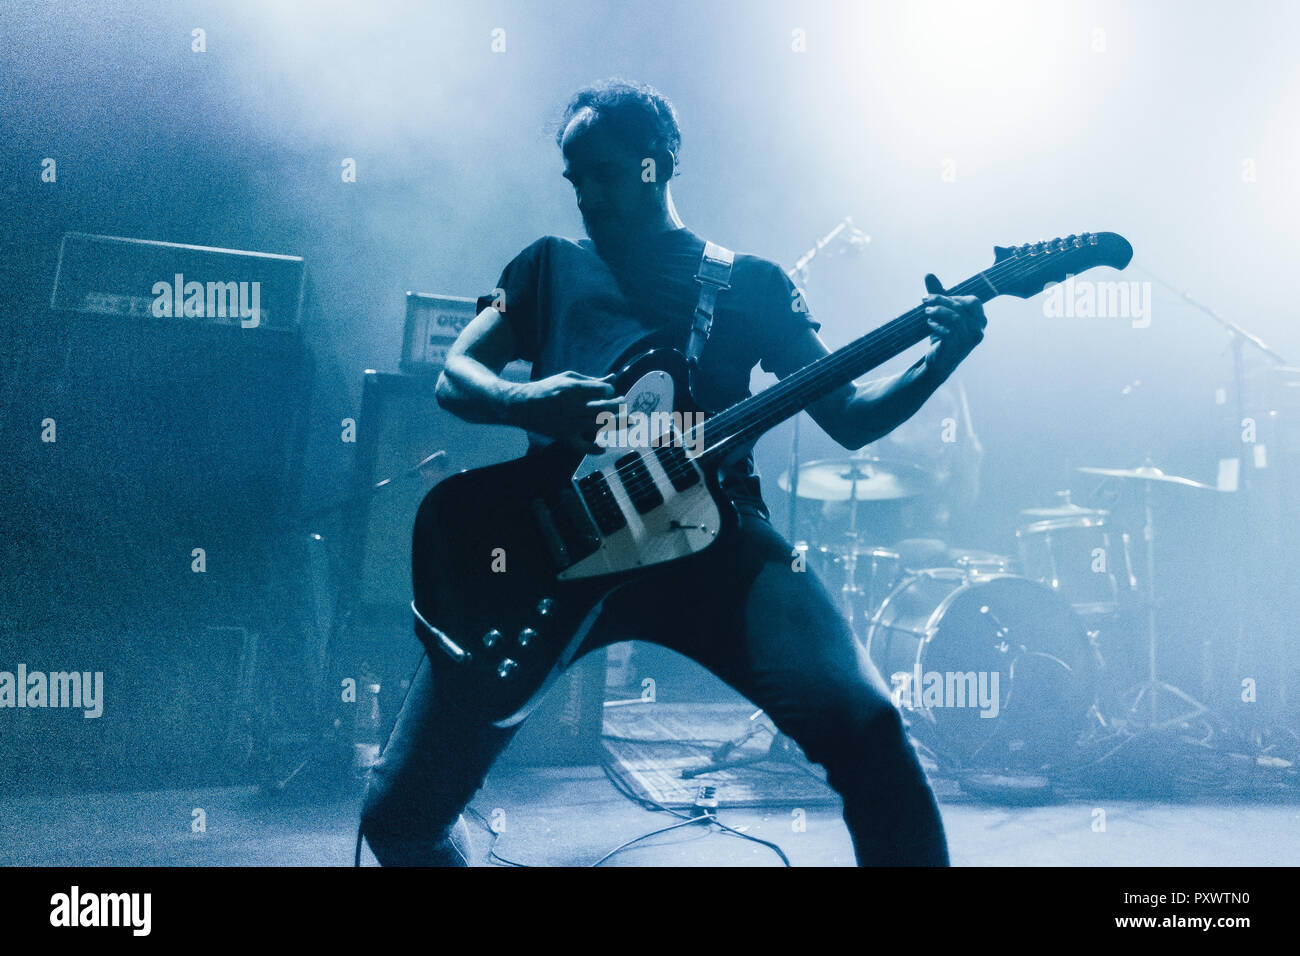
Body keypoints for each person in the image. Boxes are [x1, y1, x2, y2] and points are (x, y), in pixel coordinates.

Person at [360, 78, 986, 866]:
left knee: (869, 728)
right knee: (398, 818)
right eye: (574, 176)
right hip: (558, 544)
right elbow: (457, 374)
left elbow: (852, 417)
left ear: (660, 164)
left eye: (606, 172)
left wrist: (942, 356)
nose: (586, 192)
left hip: (715, 539)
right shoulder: (547, 268)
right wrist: (529, 401)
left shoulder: (751, 283)